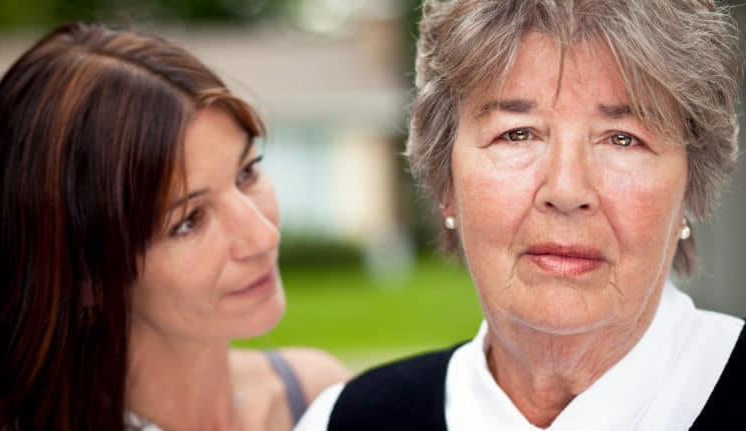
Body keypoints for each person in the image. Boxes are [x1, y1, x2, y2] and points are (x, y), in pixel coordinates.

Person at [296, 0, 744, 430]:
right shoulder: (344, 422)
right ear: (446, 183)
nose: (566, 191)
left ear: (690, 189)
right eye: (517, 134)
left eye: (622, 138)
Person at [0, 22, 348, 431]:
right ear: (86, 277)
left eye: (247, 173)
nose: (264, 236)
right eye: (188, 221)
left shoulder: (319, 396)